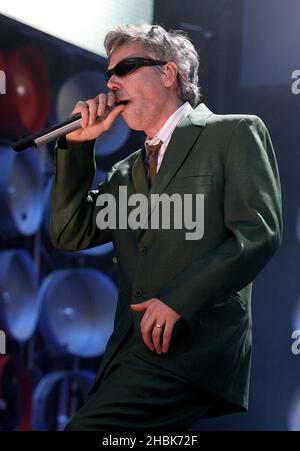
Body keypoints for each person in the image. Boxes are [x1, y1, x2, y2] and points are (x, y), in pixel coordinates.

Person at [50, 24, 282, 431]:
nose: (111, 83)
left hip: (193, 346)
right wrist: (77, 147)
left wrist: (178, 299)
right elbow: (70, 232)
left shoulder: (234, 132)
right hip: (128, 355)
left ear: (169, 73)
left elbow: (259, 232)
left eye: (126, 69)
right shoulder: (126, 172)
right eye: (108, 76)